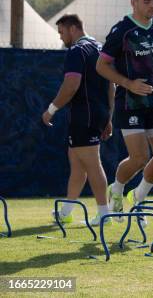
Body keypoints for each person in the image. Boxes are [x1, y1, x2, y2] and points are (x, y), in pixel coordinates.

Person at [96, 0, 153, 220]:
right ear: (133, 2)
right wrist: (129, 83)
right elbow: (101, 66)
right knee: (140, 157)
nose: (152, 5)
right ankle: (118, 188)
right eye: (147, 1)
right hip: (129, 103)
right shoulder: (122, 30)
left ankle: (138, 197)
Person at [42, 14, 114, 225]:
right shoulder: (100, 48)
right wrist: (109, 116)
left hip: (84, 115)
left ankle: (104, 215)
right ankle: (66, 212)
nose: (61, 38)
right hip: (98, 113)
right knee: (77, 164)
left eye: (62, 33)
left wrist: (51, 109)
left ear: (73, 29)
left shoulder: (77, 50)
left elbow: (71, 84)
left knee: (92, 164)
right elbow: (112, 85)